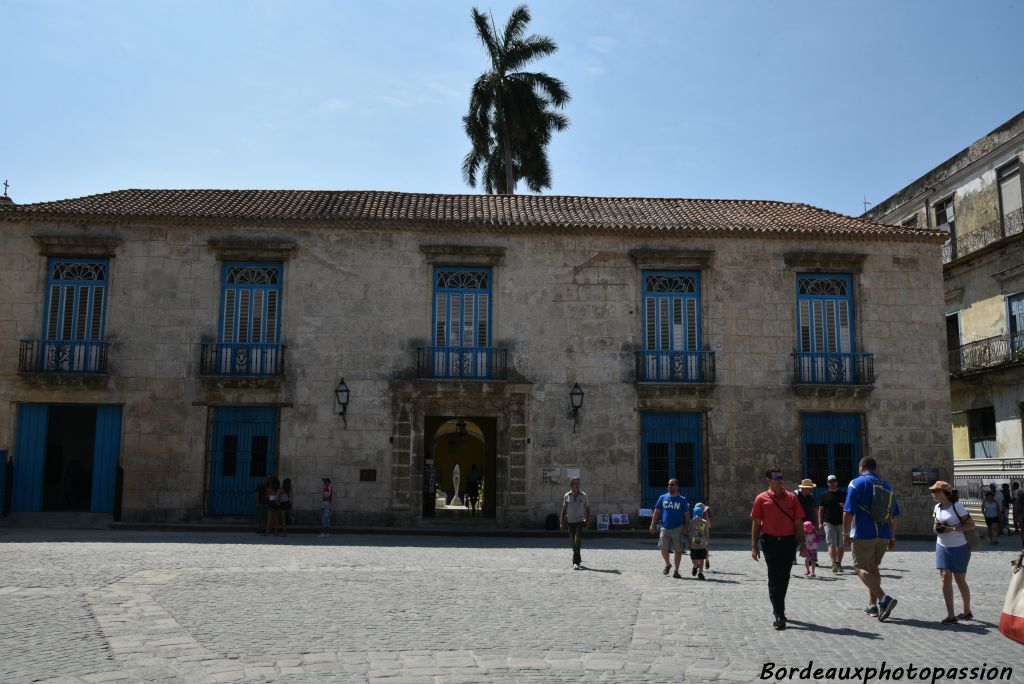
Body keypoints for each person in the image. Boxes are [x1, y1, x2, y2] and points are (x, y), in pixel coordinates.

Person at [843, 457, 900, 622]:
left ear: (861, 467)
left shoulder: (856, 483)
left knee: (858, 567)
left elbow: (848, 511)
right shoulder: (887, 485)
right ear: (874, 468)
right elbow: (894, 516)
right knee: (873, 568)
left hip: (863, 533)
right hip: (883, 534)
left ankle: (884, 598)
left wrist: (845, 533)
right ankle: (872, 605)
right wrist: (892, 536)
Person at [751, 467, 807, 630]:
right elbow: (756, 523)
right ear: (769, 480)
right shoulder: (761, 499)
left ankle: (779, 606)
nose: (780, 481)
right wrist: (754, 546)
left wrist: (803, 544)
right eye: (776, 478)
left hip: (789, 542)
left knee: (785, 576)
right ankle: (779, 614)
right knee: (774, 577)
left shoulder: (792, 498)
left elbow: (798, 522)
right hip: (770, 542)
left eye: (781, 478)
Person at [930, 480, 975, 624]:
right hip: (942, 546)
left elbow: (971, 525)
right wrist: (937, 528)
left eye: (935, 491)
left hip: (960, 547)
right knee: (945, 577)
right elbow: (934, 526)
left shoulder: (957, 507)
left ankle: (967, 611)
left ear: (944, 493)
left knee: (960, 579)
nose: (932, 494)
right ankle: (951, 615)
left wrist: (953, 529)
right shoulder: (937, 507)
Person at [650, 478, 690, 579]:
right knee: (663, 548)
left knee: (678, 550)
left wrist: (686, 527)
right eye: (668, 484)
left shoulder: (682, 500)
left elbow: (686, 515)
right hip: (664, 527)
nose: (669, 486)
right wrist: (653, 524)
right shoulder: (662, 497)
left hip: (678, 528)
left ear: (677, 486)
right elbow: (657, 511)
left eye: (672, 485)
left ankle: (676, 571)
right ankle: (668, 564)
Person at [560, 477, 590, 570]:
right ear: (571, 485)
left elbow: (588, 509)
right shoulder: (567, 495)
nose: (577, 485)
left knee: (577, 540)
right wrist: (561, 523)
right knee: (573, 543)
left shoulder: (583, 495)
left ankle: (575, 562)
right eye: (575, 484)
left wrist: (587, 521)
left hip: (580, 522)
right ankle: (578, 558)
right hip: (570, 522)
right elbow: (564, 510)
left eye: (578, 484)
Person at [817, 474, 846, 574]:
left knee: (840, 545)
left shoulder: (843, 494)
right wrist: (820, 523)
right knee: (831, 543)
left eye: (834, 481)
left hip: (841, 522)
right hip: (828, 522)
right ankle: (834, 563)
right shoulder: (824, 495)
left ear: (837, 482)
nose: (832, 483)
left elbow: (849, 509)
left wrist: (844, 506)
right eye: (830, 482)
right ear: (827, 483)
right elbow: (821, 510)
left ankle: (839, 563)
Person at [689, 503, 711, 580]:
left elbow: (689, 531)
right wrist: (708, 543)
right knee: (701, 558)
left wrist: (689, 541)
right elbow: (706, 533)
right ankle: (700, 571)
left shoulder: (691, 522)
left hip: (693, 544)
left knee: (694, 557)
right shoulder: (704, 522)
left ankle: (696, 567)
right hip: (702, 544)